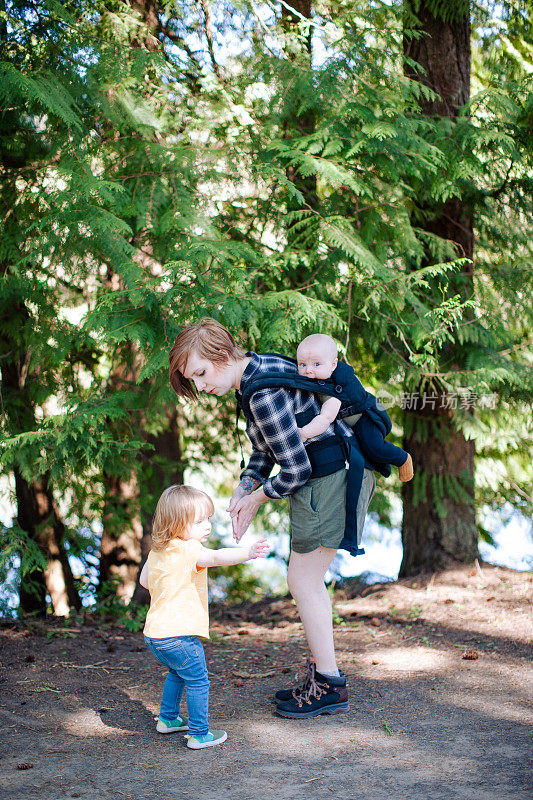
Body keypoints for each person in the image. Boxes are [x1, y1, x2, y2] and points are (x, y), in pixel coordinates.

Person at [168, 318, 376, 719]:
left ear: (223, 355)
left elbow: (294, 470)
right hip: (329, 474)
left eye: (201, 373)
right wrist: (245, 486)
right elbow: (268, 447)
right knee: (304, 579)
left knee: (304, 580)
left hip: (329, 478)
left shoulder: (259, 394)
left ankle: (330, 684)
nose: (202, 385)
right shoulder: (259, 370)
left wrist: (257, 499)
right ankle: (323, 677)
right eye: (193, 380)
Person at [140, 483, 269, 748]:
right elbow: (217, 557)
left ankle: (168, 719)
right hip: (179, 635)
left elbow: (144, 581)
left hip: (155, 635)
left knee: (177, 673)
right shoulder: (190, 550)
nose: (207, 526)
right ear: (176, 524)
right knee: (198, 681)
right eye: (199, 521)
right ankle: (199, 734)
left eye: (208, 518)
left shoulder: (157, 551)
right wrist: (248, 553)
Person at [296, 333, 414, 482]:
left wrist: (305, 433)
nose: (308, 370)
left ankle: (402, 458)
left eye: (316, 364)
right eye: (302, 364)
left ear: (333, 364)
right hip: (355, 418)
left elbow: (325, 418)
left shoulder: (332, 390)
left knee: (374, 447)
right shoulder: (322, 378)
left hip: (367, 417)